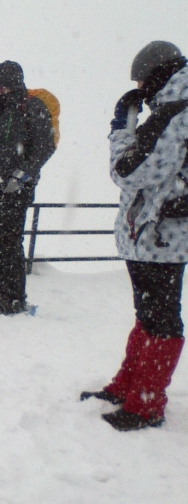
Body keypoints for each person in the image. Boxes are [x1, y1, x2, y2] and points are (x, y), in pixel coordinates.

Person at [82, 41, 188, 430]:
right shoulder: (172, 108)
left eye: (142, 78)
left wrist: (122, 127)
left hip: (162, 237)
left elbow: (129, 172)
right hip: (157, 233)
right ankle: (130, 386)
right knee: (149, 315)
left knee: (160, 320)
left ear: (158, 72)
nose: (139, 85)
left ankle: (146, 404)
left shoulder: (176, 112)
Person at [0, 60, 55, 314]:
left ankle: (13, 297)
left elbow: (44, 146)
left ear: (13, 83)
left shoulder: (32, 107)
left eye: (2, 85)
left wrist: (22, 174)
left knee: (10, 240)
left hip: (17, 188)